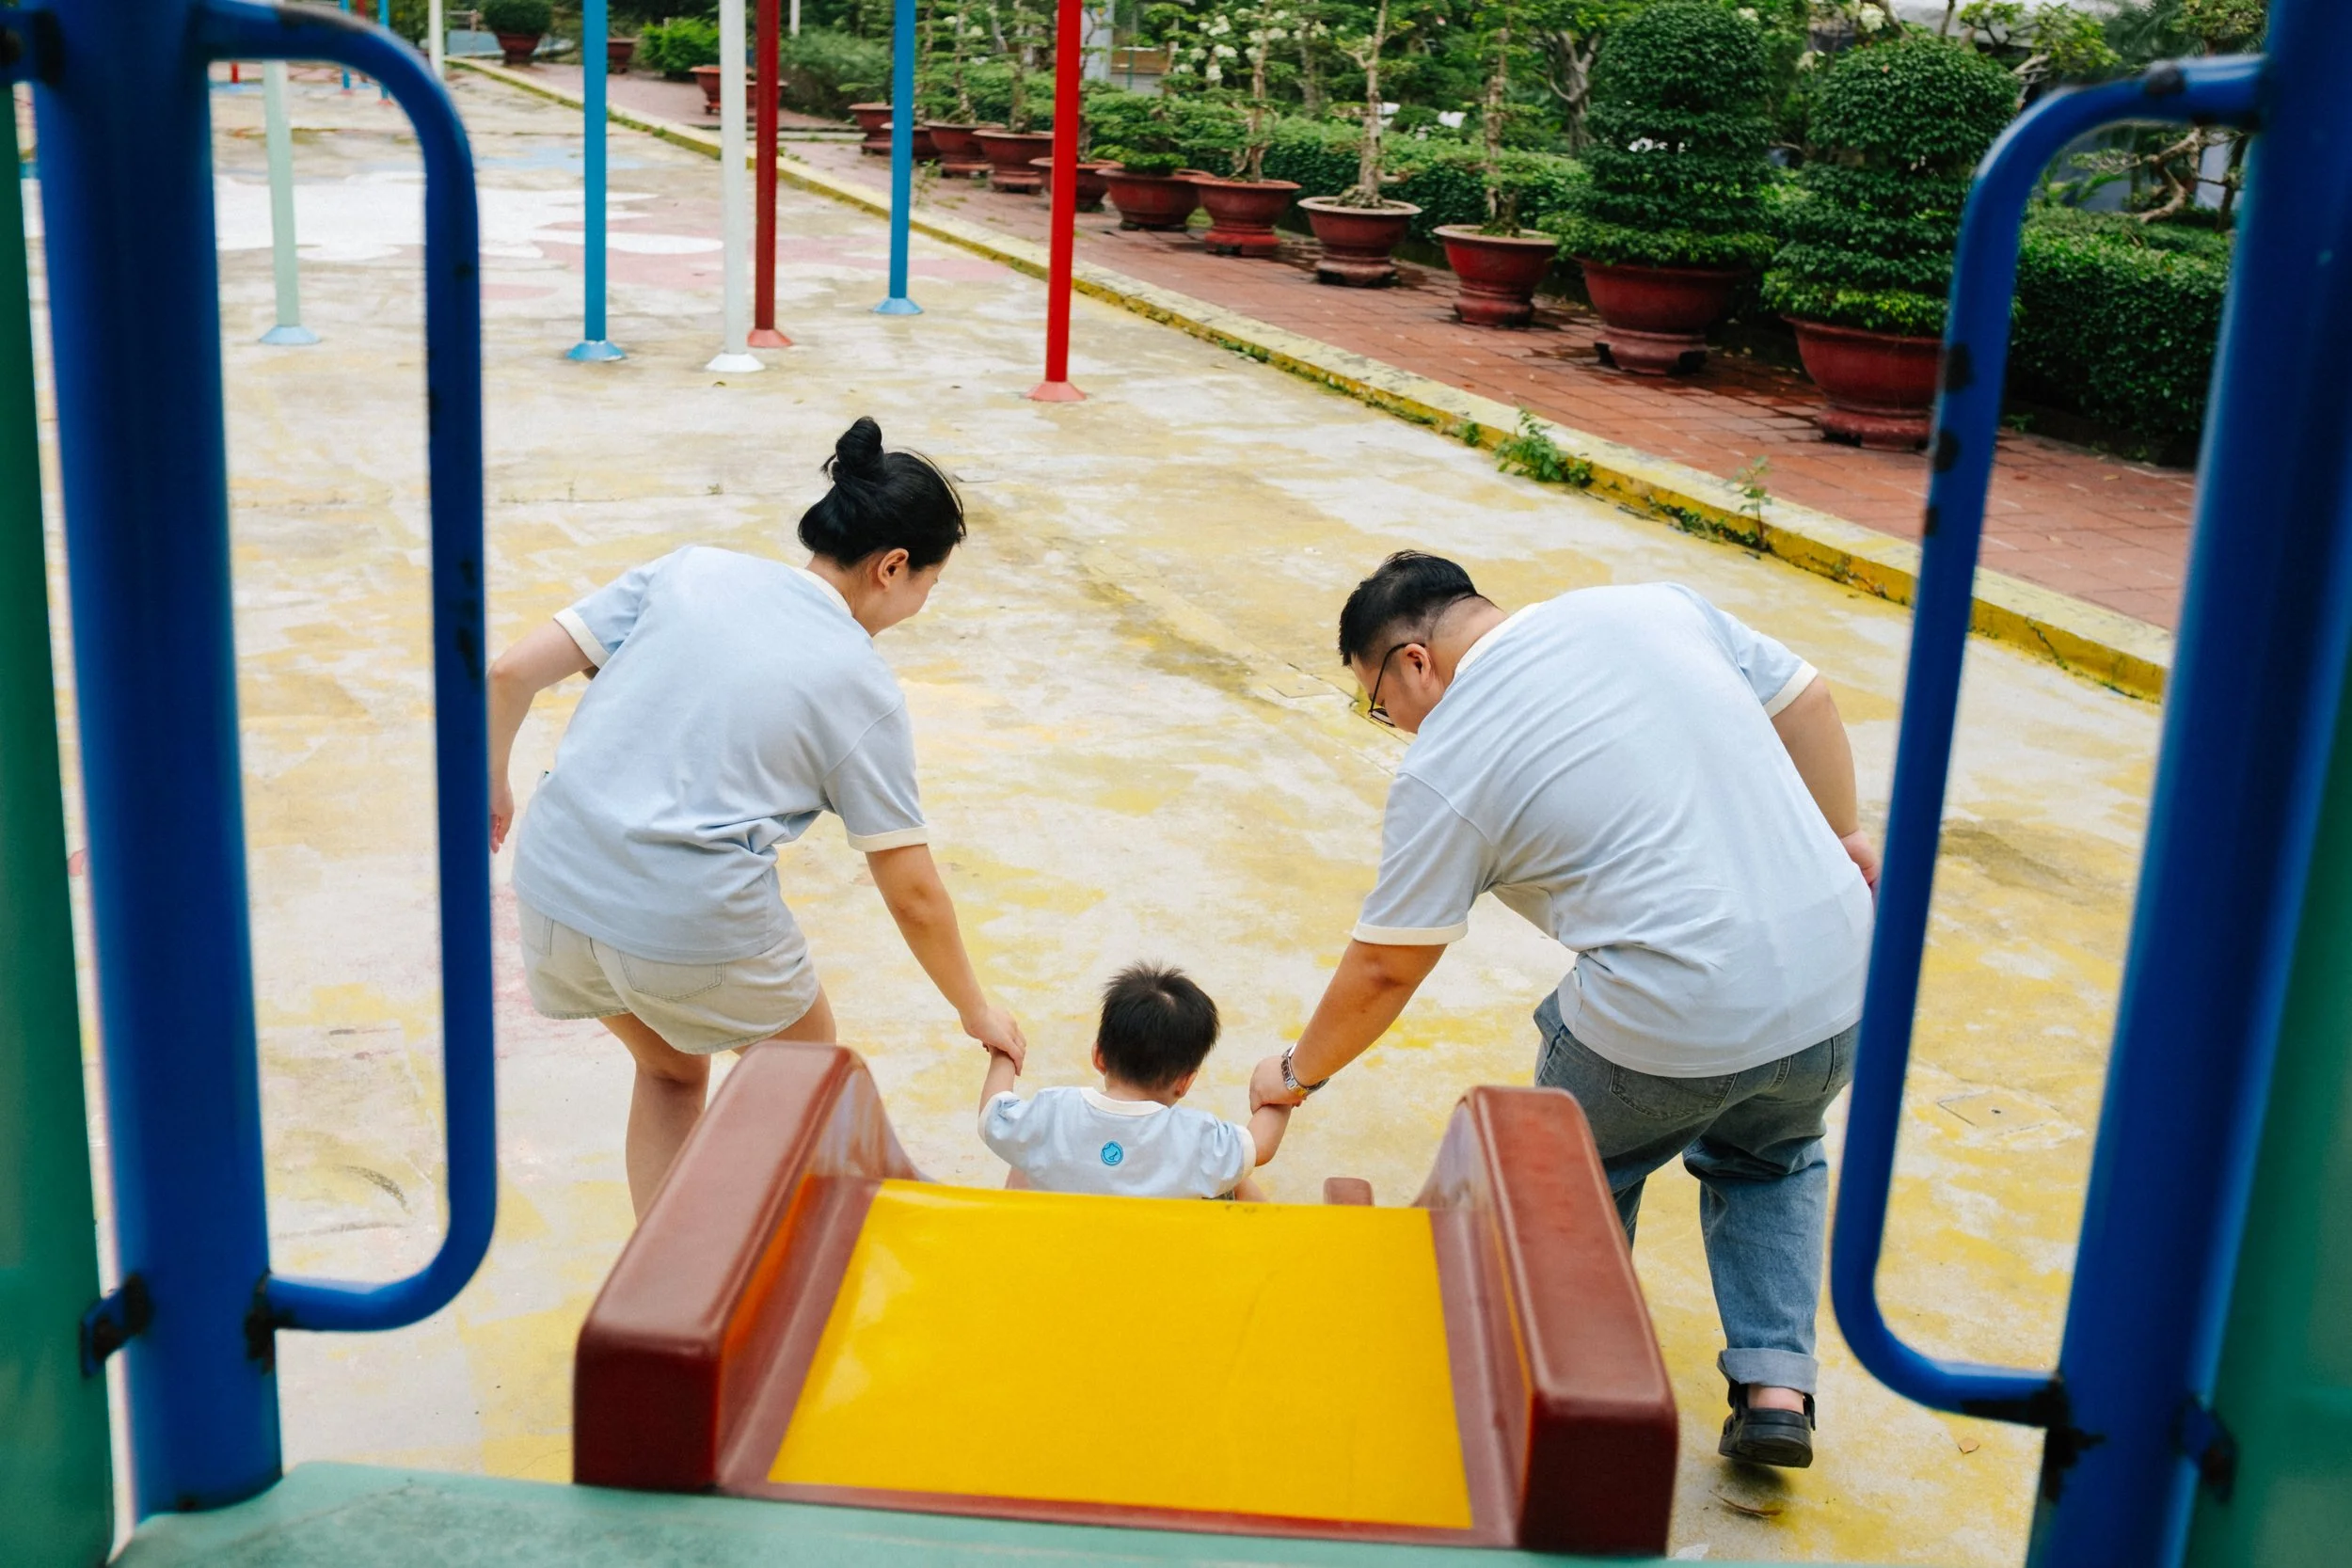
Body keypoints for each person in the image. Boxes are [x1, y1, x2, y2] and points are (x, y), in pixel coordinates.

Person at [1249, 552, 1877, 1470]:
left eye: (1378, 704)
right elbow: (1808, 701)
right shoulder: (1652, 606)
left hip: (1670, 1011)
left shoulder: (1448, 759)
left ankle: (1595, 1397)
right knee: (1773, 1153)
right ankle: (1775, 1385)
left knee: (1578, 1176)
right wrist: (1844, 835)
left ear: (1413, 662)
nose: (1393, 727)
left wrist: (1296, 1070)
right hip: (1843, 981)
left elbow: (1387, 963)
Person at [488, 417, 1026, 1218]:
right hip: (685, 916)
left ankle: (660, 1296)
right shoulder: (858, 682)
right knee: (817, 1096)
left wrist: (495, 787)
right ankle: (932, 1237)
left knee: (672, 1071)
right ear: (893, 567)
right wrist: (975, 1008)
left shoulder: (692, 569)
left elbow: (508, 671)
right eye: (927, 589)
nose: (919, 606)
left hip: (554, 883)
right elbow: (911, 889)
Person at [981, 963, 1289, 1200]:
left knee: (1026, 1156)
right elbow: (1259, 1147)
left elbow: (992, 1112)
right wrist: (1285, 1081)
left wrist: (1004, 1051)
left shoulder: (1050, 1112)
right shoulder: (1199, 1139)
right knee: (1235, 1179)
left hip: (1067, 1250)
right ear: (1185, 1082)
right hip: (1153, 1259)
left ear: (1099, 1056)